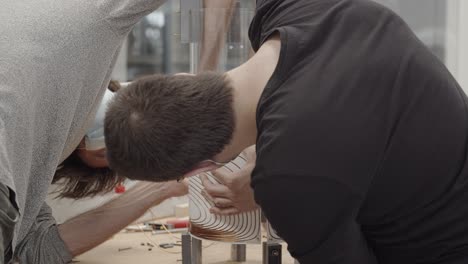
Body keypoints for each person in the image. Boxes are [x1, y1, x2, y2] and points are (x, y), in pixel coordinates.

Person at [104, 0, 468, 263]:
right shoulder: (290, 8)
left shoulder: (287, 179)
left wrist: (274, 182)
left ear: (201, 169)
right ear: (184, 79)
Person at [0, 1, 182, 263]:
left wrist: (161, 190)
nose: (112, 143)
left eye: (106, 155)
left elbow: (38, 248)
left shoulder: (30, 161)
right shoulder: (94, 21)